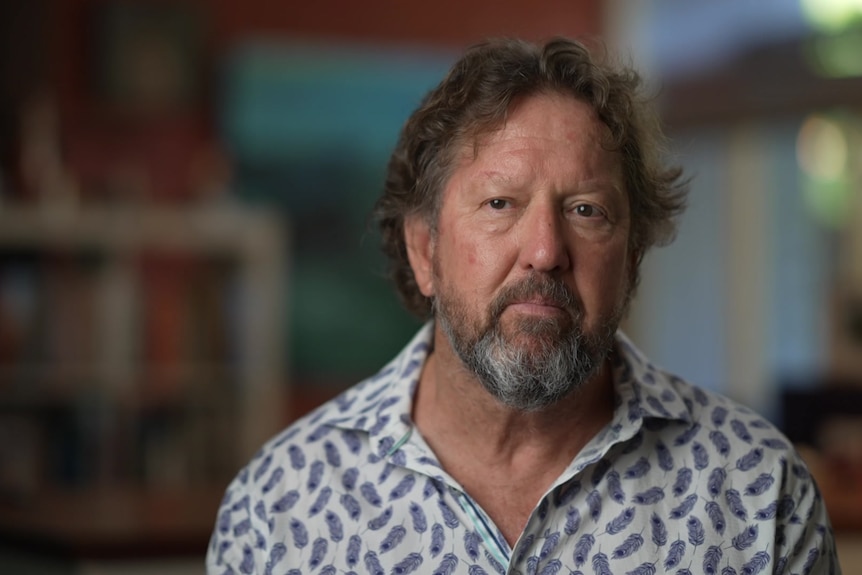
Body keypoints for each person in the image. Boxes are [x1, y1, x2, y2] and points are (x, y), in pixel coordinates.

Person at [206, 37, 841, 574]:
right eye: (499, 204)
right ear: (425, 250)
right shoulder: (277, 511)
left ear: (633, 257)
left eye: (586, 210)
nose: (544, 250)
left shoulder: (760, 495)